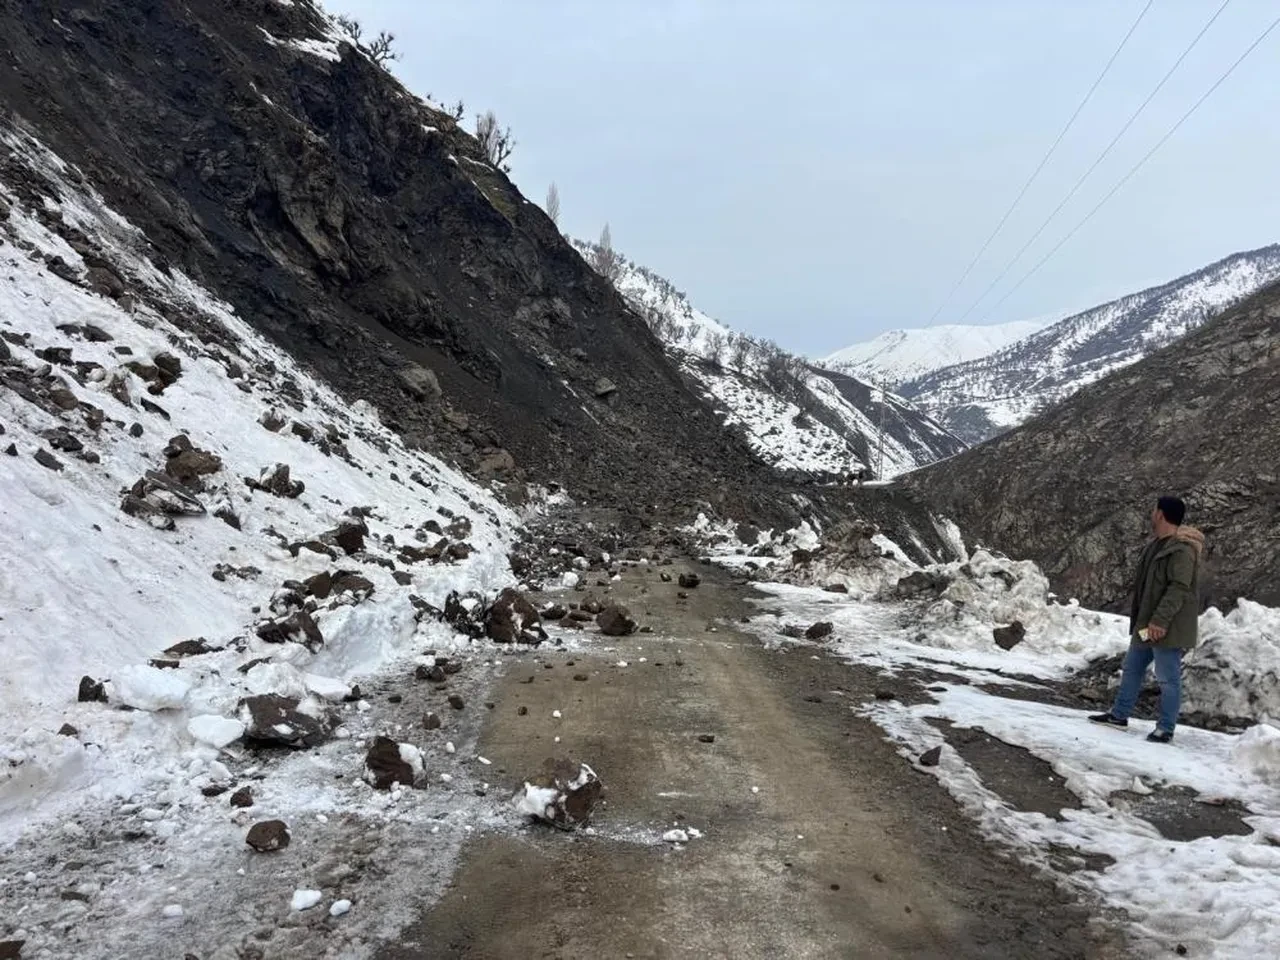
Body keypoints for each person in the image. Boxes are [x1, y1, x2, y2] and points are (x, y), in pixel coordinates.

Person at [1090, 496, 1204, 743]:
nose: (1151, 513)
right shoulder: (1157, 545)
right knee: (1132, 667)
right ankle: (1119, 715)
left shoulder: (1182, 550)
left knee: (1167, 678)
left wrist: (1160, 621)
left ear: (1160, 514)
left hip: (1166, 627)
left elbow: (1178, 588)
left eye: (1154, 510)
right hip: (1146, 624)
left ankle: (1166, 728)